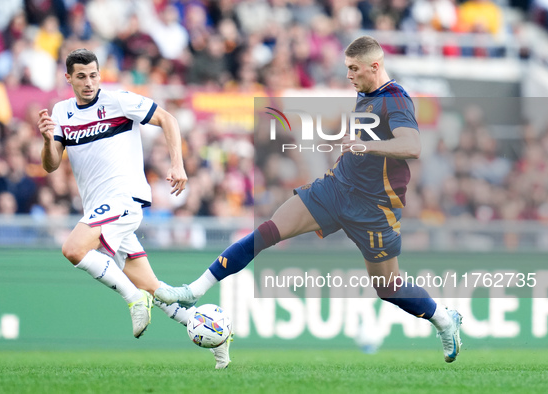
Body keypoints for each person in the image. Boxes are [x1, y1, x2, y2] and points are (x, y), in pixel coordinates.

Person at [155, 36, 463, 363]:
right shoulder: (366, 92)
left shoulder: (396, 100)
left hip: (374, 208)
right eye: (347, 68)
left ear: (375, 66)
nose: (348, 75)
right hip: (335, 188)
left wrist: (364, 146)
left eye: (354, 68)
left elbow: (412, 146)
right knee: (267, 232)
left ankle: (444, 319)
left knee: (388, 288)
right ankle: (194, 290)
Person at [37, 48, 231, 369]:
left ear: (101, 74)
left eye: (94, 75)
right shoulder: (61, 112)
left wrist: (177, 165)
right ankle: (217, 337)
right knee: (159, 290)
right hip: (98, 209)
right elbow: (51, 165)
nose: (89, 82)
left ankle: (132, 299)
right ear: (68, 78)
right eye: (81, 76)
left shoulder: (118, 101)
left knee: (73, 249)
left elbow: (167, 119)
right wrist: (47, 140)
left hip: (124, 198)